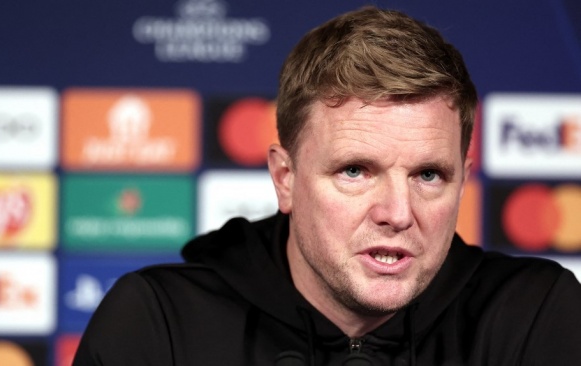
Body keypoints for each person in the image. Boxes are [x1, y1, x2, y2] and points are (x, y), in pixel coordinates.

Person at [73, 6, 581, 366]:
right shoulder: (158, 325)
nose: (397, 213)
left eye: (428, 175)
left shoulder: (534, 317)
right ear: (285, 179)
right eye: (355, 171)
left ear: (463, 181)